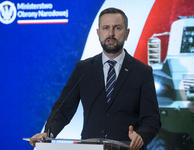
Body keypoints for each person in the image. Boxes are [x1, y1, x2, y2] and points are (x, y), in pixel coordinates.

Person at [30, 7, 161, 150]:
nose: (111, 34)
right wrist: (48, 133)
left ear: (127, 33)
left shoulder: (142, 71)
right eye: (105, 28)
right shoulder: (83, 68)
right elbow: (62, 109)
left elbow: (152, 118)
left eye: (117, 28)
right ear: (98, 33)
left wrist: (141, 136)